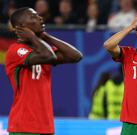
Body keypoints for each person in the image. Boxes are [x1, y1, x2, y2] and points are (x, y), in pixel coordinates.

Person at [5, 7, 82, 135]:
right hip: (24, 125)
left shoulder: (41, 48)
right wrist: (34, 37)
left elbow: (76, 56)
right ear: (22, 26)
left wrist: (45, 36)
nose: (40, 18)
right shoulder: (15, 50)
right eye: (34, 16)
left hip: (45, 126)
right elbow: (49, 56)